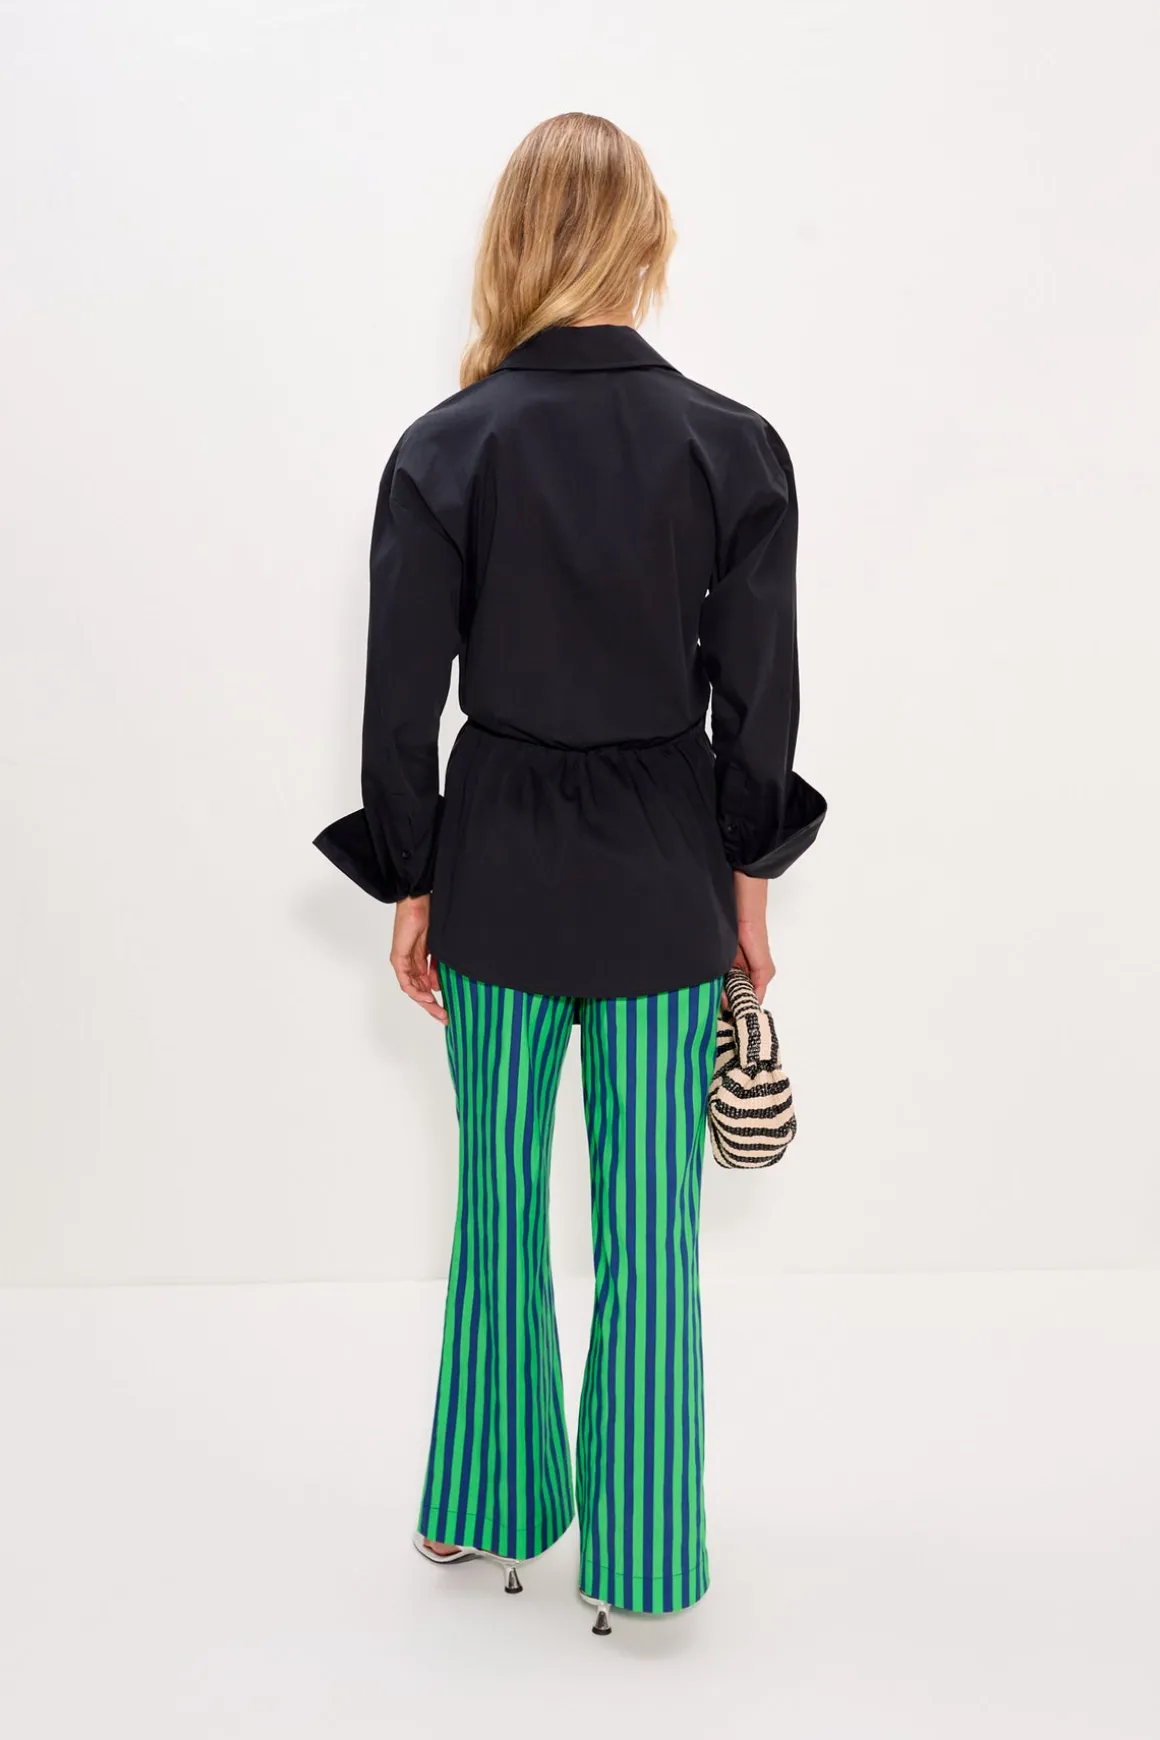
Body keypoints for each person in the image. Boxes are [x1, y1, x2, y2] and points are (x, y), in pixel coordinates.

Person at [313, 111, 827, 1638]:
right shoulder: (733, 447)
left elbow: (400, 702)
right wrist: (746, 892)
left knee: (494, 1204)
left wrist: (413, 881)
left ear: (513, 242)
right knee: (654, 1229)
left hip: (499, 875)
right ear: (649, 241)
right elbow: (761, 699)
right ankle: (648, 1555)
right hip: (667, 876)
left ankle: (485, 1507)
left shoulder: (445, 446)